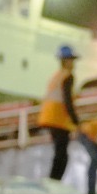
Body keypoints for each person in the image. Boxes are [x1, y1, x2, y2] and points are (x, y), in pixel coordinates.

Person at [36, 45, 81, 182]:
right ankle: (54, 181)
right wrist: (75, 120)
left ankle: (53, 180)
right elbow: (67, 100)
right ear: (66, 61)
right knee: (61, 154)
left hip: (49, 116)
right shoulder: (68, 76)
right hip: (58, 118)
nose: (73, 64)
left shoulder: (57, 75)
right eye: (71, 60)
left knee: (59, 152)